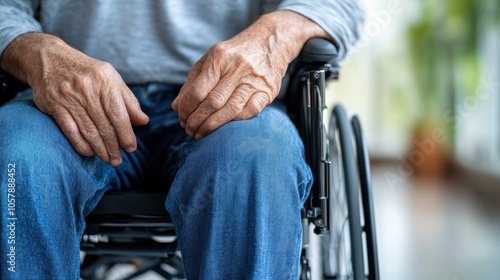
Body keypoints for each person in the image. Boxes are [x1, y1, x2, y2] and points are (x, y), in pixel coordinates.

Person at [0, 0, 364, 279]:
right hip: (70, 99)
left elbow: (340, 6)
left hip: (226, 102)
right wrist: (37, 52)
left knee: (258, 156)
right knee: (18, 152)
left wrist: (274, 36)